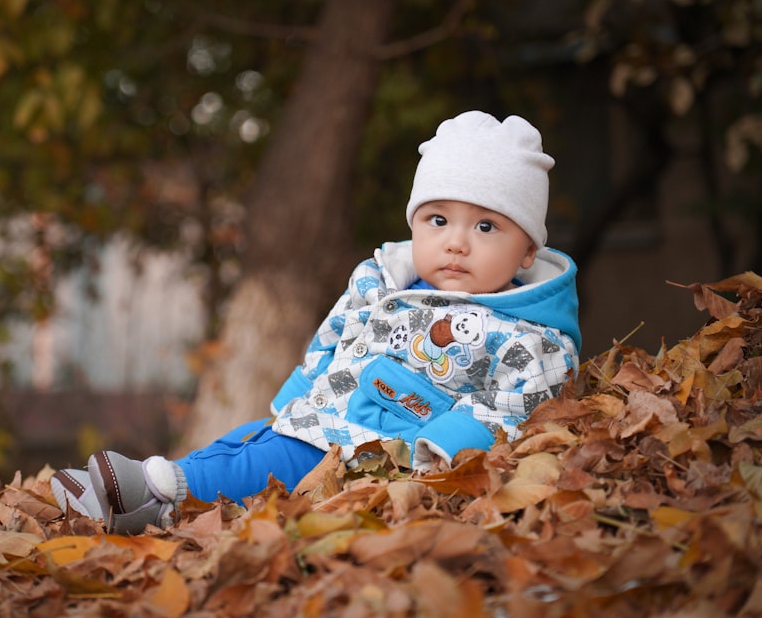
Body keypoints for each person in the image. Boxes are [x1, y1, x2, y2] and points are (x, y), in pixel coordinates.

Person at [50, 110, 581, 534]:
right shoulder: (381, 282)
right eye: (437, 220)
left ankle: (165, 488)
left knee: (273, 462)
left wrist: (443, 444)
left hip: (384, 443)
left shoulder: (528, 334)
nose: (456, 242)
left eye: (486, 226)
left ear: (528, 250)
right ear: (415, 224)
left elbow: (521, 404)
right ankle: (144, 491)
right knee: (252, 437)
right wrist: (299, 390)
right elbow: (333, 335)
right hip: (328, 411)